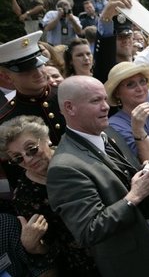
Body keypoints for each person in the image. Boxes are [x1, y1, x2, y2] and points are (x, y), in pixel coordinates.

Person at [46, 75, 149, 277]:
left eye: (105, 99)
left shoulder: (108, 133)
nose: (105, 106)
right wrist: (134, 196)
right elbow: (89, 230)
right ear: (70, 108)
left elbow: (125, 179)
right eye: (95, 101)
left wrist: (147, 170)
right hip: (132, 265)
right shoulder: (64, 168)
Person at [0, 115, 99, 276]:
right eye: (18, 158)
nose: (28, 159)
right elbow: (49, 250)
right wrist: (35, 246)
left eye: (31, 149)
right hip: (85, 267)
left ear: (46, 139)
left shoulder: (77, 153)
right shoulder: (25, 196)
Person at [0, 32, 67, 190]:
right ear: (7, 77)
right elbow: (18, 177)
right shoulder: (5, 121)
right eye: (25, 70)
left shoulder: (68, 95)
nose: (37, 72)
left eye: (38, 64)